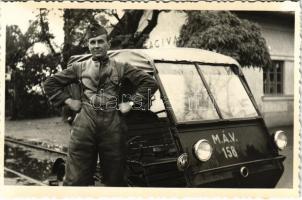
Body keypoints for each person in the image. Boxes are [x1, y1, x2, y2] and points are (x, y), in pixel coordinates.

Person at [43, 23, 158, 186]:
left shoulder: (121, 67)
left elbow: (149, 82)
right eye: (92, 42)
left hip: (112, 125)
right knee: (75, 179)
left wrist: (131, 103)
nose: (96, 46)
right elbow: (50, 83)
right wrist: (69, 101)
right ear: (88, 45)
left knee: (115, 179)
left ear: (108, 44)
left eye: (100, 41)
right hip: (84, 124)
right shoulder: (79, 67)